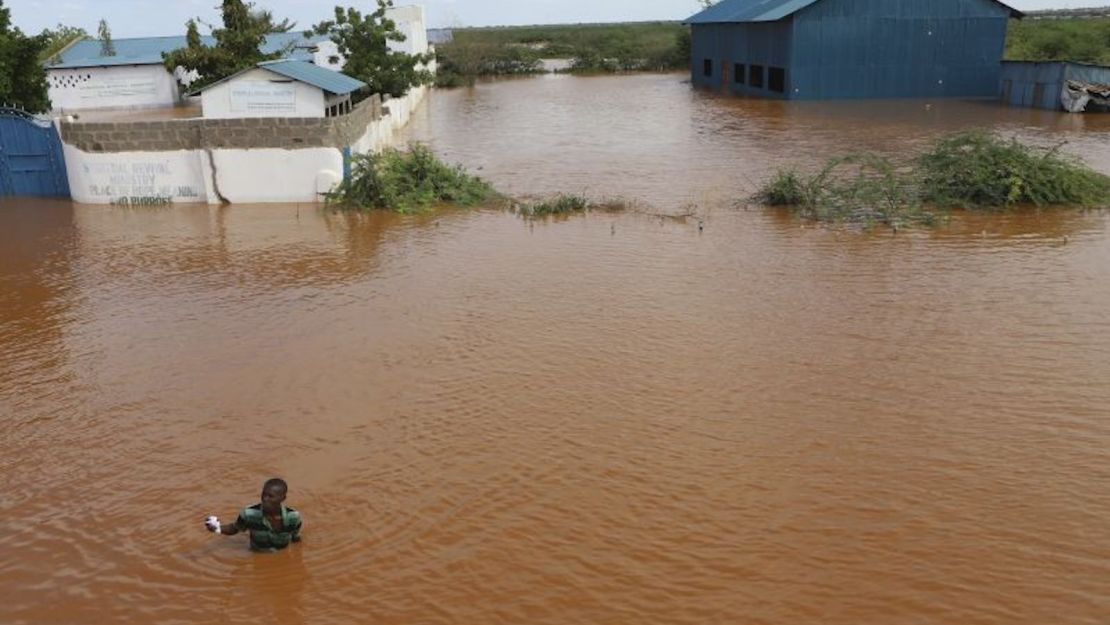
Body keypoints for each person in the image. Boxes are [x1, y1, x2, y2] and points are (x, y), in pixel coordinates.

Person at [205, 478, 302, 551]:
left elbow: (295, 537)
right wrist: (217, 528)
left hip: (281, 557)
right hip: (258, 553)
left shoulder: (293, 517)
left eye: (270, 496)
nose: (265, 499)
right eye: (264, 494)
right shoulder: (249, 514)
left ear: (283, 498)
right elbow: (234, 528)